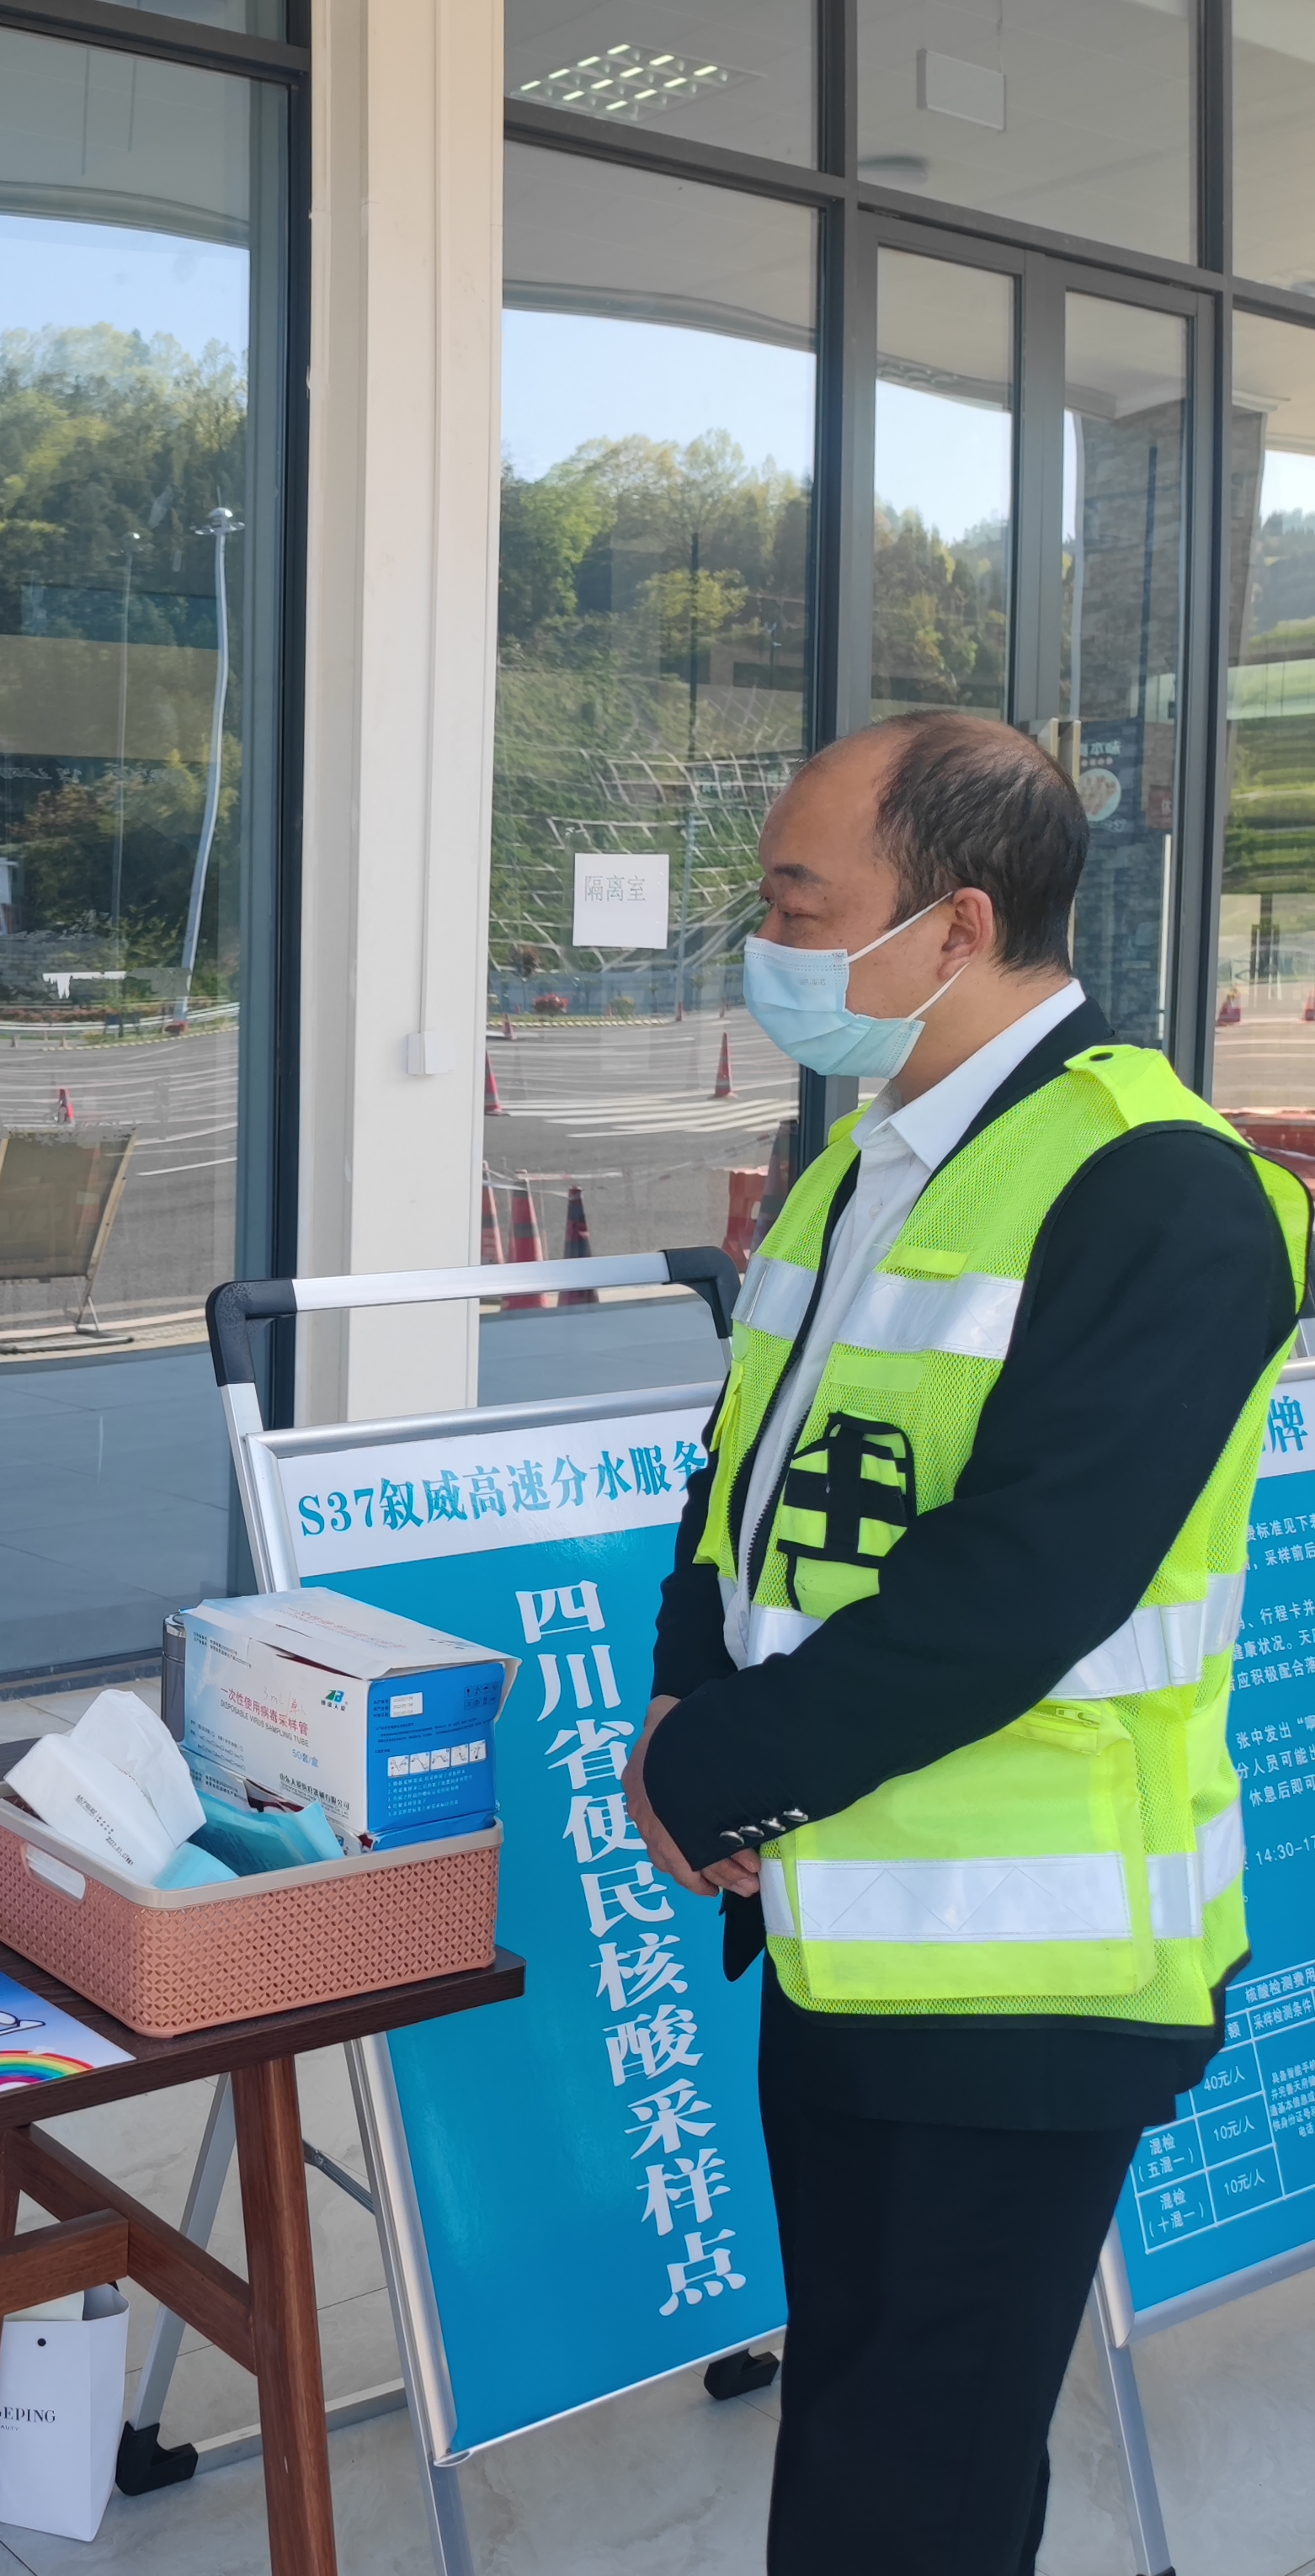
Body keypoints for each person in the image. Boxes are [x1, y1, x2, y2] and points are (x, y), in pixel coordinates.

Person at [629, 711, 1308, 2576]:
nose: (767, 942)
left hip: (1024, 1978)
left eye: (800, 901)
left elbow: (1023, 1586)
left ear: (957, 924)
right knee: (875, 2422)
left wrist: (713, 1770)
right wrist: (687, 1682)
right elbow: (745, 1464)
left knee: (910, 2471)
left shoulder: (1158, 1186)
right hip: (843, 1923)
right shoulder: (873, 1158)